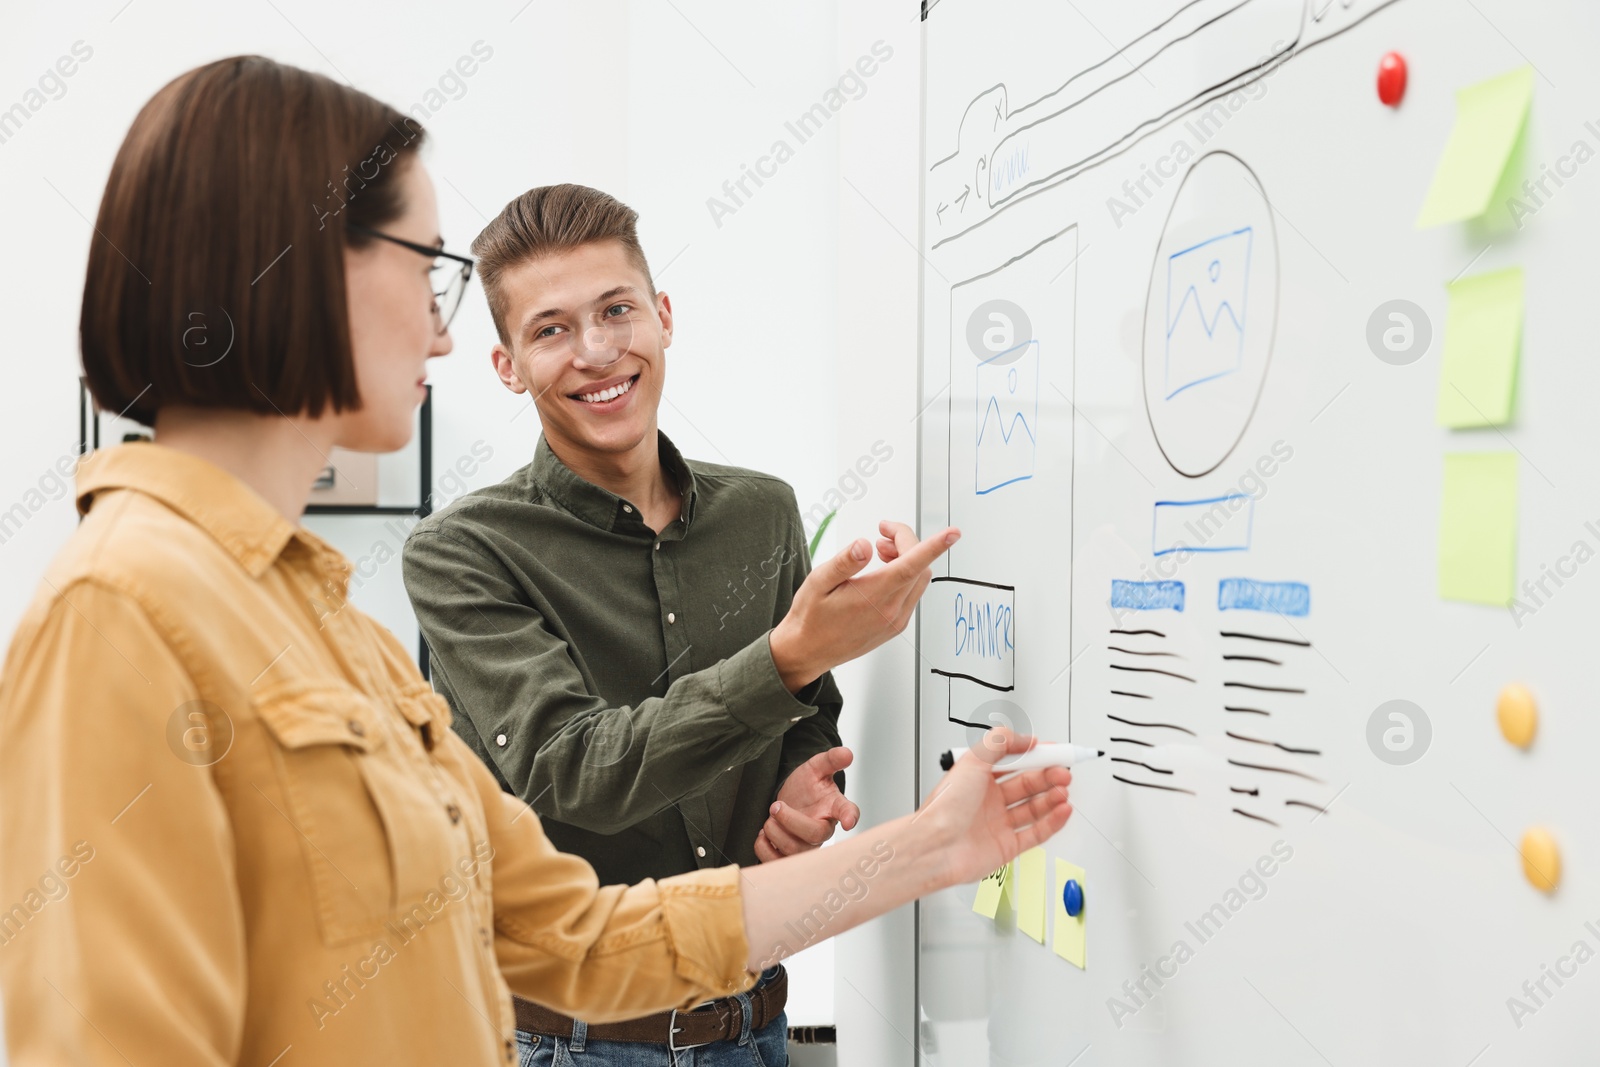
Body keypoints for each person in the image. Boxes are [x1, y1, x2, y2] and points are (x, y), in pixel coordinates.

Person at [0, 56, 1074, 1066]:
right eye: (429, 271)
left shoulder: (330, 629)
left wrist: (932, 846)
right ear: (295, 272)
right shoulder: (124, 610)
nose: (440, 332)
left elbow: (570, 935)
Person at [401, 183, 920, 1062]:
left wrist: (801, 783)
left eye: (616, 310)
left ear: (663, 316)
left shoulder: (762, 513)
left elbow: (806, 710)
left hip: (757, 1025)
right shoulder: (461, 552)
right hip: (577, 1045)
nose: (598, 352)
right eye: (552, 329)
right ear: (507, 365)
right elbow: (572, 769)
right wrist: (787, 656)